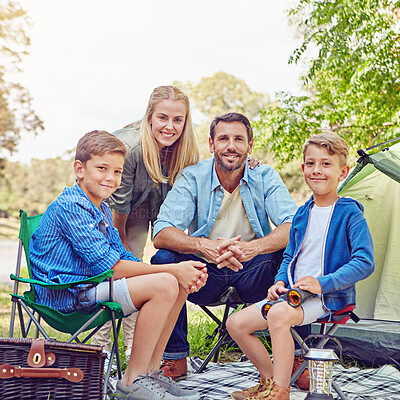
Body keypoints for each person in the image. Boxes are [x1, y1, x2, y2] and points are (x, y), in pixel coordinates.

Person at [29, 130, 208, 400]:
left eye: (117, 172)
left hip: (91, 287)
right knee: (165, 281)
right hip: (67, 294)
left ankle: (149, 372)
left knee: (177, 283)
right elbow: (109, 266)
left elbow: (122, 255)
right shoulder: (70, 207)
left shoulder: (100, 208)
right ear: (79, 169)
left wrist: (180, 273)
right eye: (102, 169)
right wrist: (171, 269)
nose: (111, 178)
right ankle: (131, 383)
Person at [151, 112, 300, 381]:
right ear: (211, 144)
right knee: (164, 259)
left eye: (238, 139)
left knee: (295, 256)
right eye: (223, 139)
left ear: (250, 146)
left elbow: (294, 225)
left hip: (255, 270)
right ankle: (174, 358)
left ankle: (297, 357)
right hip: (204, 273)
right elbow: (161, 232)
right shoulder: (192, 177)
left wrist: (253, 248)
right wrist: (204, 246)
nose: (231, 146)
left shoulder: (265, 175)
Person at [226, 133, 375, 400]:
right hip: (292, 294)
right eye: (310, 163)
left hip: (327, 298)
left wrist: (323, 283)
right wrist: (280, 281)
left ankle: (281, 392)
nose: (316, 170)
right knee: (236, 323)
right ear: (304, 167)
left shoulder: (350, 213)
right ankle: (270, 380)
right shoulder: (302, 213)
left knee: (278, 316)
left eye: (326, 164)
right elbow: (289, 257)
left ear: (343, 172)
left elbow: (365, 262)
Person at [91, 85, 199, 361]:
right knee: (117, 272)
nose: (170, 126)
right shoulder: (130, 147)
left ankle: (135, 354)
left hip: (145, 204)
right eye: (163, 118)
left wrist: (249, 163)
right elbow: (115, 209)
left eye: (178, 120)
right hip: (111, 211)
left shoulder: (184, 148)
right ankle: (100, 354)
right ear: (150, 116)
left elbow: (203, 177)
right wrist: (124, 254)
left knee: (141, 273)